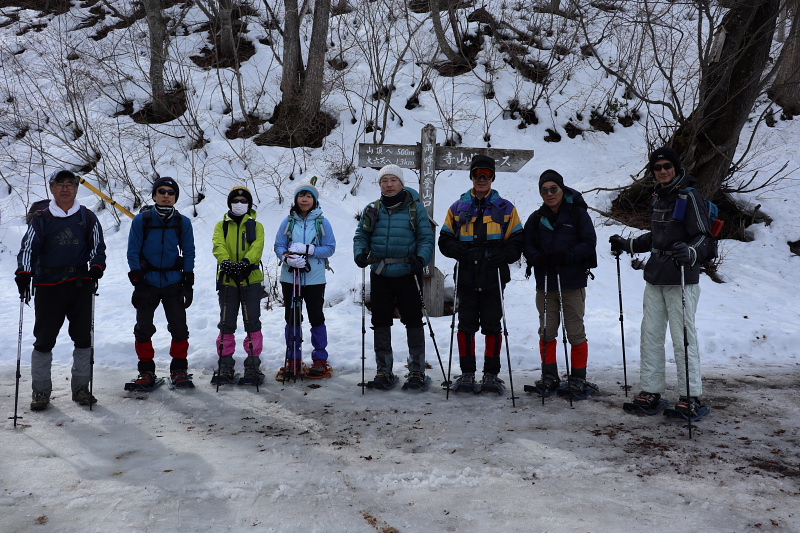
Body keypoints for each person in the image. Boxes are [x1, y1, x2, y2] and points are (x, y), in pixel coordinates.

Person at [610, 146, 715, 417]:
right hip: (656, 276)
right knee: (651, 335)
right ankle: (651, 390)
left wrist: (691, 252)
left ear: (677, 168)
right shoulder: (659, 197)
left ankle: (691, 396)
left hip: (682, 277)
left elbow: (705, 237)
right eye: (657, 168)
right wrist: (629, 243)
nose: (662, 171)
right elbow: (658, 237)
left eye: (667, 166)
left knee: (683, 338)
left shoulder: (690, 197)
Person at [15, 169, 106, 410]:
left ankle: (81, 389)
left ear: (76, 188)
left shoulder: (87, 217)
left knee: (83, 338)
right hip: (47, 286)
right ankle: (41, 392)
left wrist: (96, 267)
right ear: (52, 188)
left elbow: (98, 247)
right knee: (44, 340)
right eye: (60, 184)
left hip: (79, 285)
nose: (65, 188)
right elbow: (28, 249)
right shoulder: (42, 218)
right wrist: (24, 273)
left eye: (70, 184)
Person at [438, 155, 523, 390]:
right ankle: (466, 373)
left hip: (493, 274)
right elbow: (444, 239)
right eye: (477, 174)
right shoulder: (457, 207)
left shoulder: (506, 208)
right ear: (471, 177)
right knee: (466, 325)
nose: (482, 179)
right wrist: (455, 248)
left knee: (492, 325)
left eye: (486, 173)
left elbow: (517, 240)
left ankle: (491, 374)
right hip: (466, 272)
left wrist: (505, 255)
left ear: (493, 177)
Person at [353, 164, 434, 389]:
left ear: (401, 183)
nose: (389, 185)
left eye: (393, 180)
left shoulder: (415, 209)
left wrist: (421, 258)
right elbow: (361, 235)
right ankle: (383, 370)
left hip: (408, 272)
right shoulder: (373, 209)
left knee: (413, 320)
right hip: (380, 272)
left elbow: (426, 238)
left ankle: (416, 369)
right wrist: (360, 252)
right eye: (384, 181)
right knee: (380, 321)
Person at [523, 169, 597, 397]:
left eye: (553, 188)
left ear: (562, 189)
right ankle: (549, 376)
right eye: (544, 190)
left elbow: (589, 241)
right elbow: (527, 245)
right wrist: (538, 259)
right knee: (546, 330)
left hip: (572, 281)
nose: (549, 193)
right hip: (545, 283)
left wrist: (567, 257)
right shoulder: (536, 218)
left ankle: (578, 378)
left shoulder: (577, 214)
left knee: (575, 331)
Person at [127, 177, 196, 388]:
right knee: (144, 327)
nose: (166, 195)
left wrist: (188, 279)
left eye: (170, 192)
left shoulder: (182, 222)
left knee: (179, 327)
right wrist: (137, 279)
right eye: (162, 191)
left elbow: (189, 251)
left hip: (173, 281)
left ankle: (179, 369)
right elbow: (133, 250)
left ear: (175, 197)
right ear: (154, 195)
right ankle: (146, 371)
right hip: (147, 282)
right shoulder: (142, 220)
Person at [274, 183, 336, 380]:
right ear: (296, 199)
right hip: (290, 277)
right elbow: (279, 245)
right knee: (292, 317)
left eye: (309, 196)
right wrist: (286, 257)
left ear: (315, 200)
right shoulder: (288, 222)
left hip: (315, 278)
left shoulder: (322, 223)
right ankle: (293, 359)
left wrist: (309, 250)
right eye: (301, 196)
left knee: (316, 316)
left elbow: (330, 248)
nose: (305, 199)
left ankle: (320, 360)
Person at [212, 186, 266, 385]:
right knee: (226, 322)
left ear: (249, 204)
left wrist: (246, 262)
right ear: (230, 203)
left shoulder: (256, 225)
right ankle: (225, 364)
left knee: (252, 321)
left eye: (244, 201)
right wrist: (225, 262)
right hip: (227, 279)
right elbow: (218, 244)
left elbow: (257, 246)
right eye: (236, 200)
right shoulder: (222, 225)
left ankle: (253, 365)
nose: (240, 204)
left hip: (250, 278)